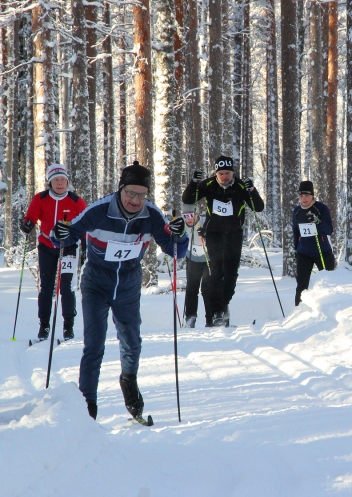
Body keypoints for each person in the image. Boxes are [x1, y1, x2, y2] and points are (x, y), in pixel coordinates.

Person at [53, 161, 189, 421]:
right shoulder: (99, 210)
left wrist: (180, 235)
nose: (136, 200)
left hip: (128, 283)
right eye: (130, 193)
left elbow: (175, 250)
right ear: (120, 190)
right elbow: (67, 236)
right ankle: (87, 406)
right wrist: (62, 232)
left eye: (141, 195)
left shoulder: (151, 214)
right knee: (94, 344)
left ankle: (129, 382)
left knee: (132, 342)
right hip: (96, 282)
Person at [182, 156, 265, 326]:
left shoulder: (241, 186)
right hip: (214, 234)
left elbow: (258, 207)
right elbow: (188, 199)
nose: (224, 177)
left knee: (231, 274)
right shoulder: (209, 185)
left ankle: (224, 304)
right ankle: (217, 312)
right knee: (216, 272)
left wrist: (252, 191)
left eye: (227, 173)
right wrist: (193, 183)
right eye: (221, 173)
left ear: (232, 172)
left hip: (234, 235)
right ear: (216, 173)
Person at [21, 163, 87, 341]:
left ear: (67, 182)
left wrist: (85, 243)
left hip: (68, 247)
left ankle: (68, 327)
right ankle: (44, 326)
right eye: (56, 180)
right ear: (50, 182)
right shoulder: (41, 198)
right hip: (47, 246)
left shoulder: (75, 201)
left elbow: (85, 222)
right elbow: (31, 217)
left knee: (66, 286)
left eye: (62, 180)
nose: (60, 183)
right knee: (46, 287)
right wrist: (27, 224)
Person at [291, 181, 335, 306]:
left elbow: (329, 230)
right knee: (302, 285)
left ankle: (329, 307)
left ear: (312, 196)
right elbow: (296, 231)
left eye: (306, 195)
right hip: (303, 253)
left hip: (322, 252)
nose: (304, 199)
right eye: (301, 196)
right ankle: (298, 310)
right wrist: (296, 249)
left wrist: (318, 222)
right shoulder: (297, 211)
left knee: (327, 281)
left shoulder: (321, 208)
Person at [182, 202, 212, 328]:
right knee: (191, 288)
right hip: (193, 258)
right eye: (185, 216)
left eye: (191, 215)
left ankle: (211, 319)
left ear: (197, 213)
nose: (188, 219)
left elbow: (216, 234)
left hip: (208, 259)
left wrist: (206, 234)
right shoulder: (182, 224)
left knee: (207, 289)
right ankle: (190, 318)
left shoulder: (205, 221)